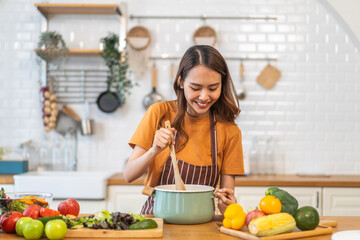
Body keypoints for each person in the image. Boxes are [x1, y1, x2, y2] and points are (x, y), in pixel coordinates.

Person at [123, 45, 244, 214]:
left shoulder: (229, 131)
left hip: (201, 223)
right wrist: (154, 150)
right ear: (181, 82)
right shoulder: (159, 113)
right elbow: (129, 175)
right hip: (157, 219)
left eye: (213, 88)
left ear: (222, 85)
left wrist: (228, 204)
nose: (204, 97)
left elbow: (227, 199)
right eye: (195, 88)